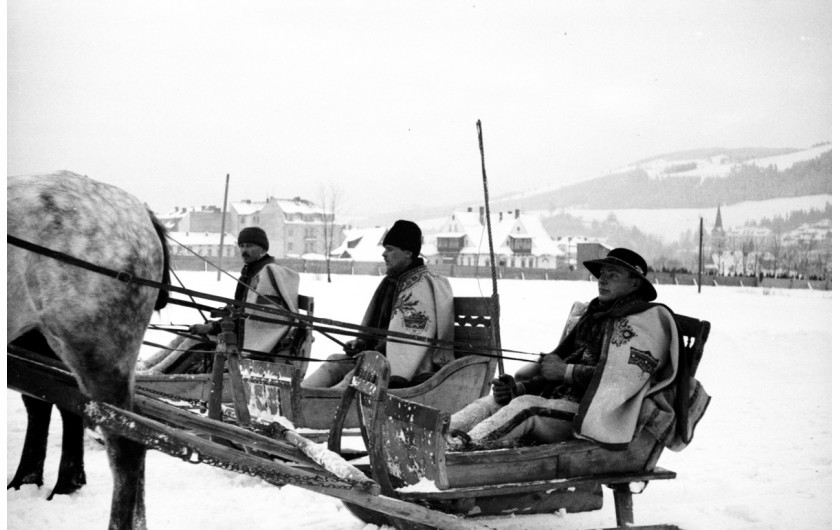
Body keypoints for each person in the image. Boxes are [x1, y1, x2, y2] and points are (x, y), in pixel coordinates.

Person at [446, 247, 709, 452]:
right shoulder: (596, 314)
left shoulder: (647, 322)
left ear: (635, 283)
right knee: (496, 401)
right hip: (561, 403)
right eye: (602, 275)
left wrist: (565, 373)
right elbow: (559, 364)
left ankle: (459, 450)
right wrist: (520, 388)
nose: (602, 281)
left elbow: (621, 382)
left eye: (612, 276)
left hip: (599, 417)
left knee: (526, 407)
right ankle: (439, 433)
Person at [303, 220, 454, 389]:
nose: (384, 254)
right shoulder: (392, 281)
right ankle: (298, 394)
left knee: (355, 377)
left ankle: (318, 404)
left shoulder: (421, 287)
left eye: (390, 249)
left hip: (409, 371)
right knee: (333, 362)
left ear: (407, 252)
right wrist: (362, 343)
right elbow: (379, 327)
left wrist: (374, 352)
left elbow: (409, 343)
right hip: (378, 359)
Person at [138, 226, 301, 374]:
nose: (244, 250)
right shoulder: (252, 272)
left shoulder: (265, 275)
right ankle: (146, 366)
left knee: (195, 343)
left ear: (263, 248)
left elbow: (256, 323)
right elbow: (245, 311)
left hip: (253, 344)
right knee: (185, 335)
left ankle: (156, 375)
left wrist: (213, 327)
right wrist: (227, 312)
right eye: (242, 246)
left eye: (250, 246)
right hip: (240, 333)